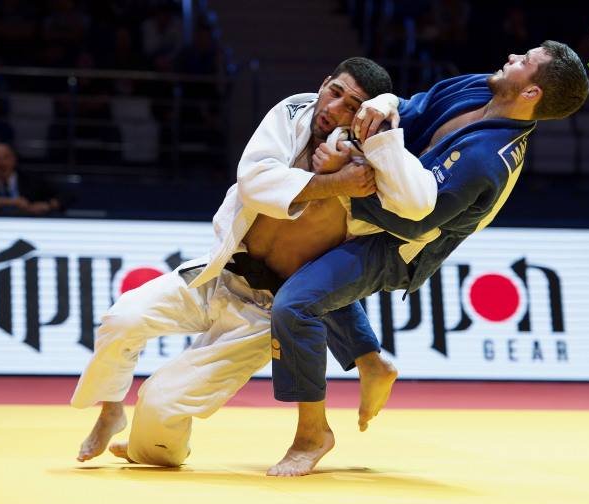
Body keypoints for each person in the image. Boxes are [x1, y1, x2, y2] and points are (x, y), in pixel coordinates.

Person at [72, 57, 437, 467]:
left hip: (264, 311)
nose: (334, 109)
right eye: (334, 93)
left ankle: (153, 445)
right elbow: (255, 182)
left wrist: (385, 130)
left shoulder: (372, 160)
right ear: (324, 83)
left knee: (159, 409)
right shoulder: (294, 111)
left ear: (364, 114)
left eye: (352, 106)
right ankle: (111, 410)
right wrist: (335, 183)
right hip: (221, 271)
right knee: (122, 318)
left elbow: (419, 205)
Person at [267, 41, 589, 476]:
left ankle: (312, 436)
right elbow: (415, 107)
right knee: (294, 263)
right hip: (380, 197)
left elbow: (413, 222)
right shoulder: (481, 87)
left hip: (400, 246)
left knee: (294, 304)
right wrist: (387, 103)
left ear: (532, 93)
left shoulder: (487, 161)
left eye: (525, 62)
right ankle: (371, 362)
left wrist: (343, 179)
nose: (512, 57)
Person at [0, 142, 67, 215]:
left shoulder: (31, 179)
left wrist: (48, 205)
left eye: (6, 157)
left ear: (14, 159)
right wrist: (13, 202)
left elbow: (66, 195)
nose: (2, 164)